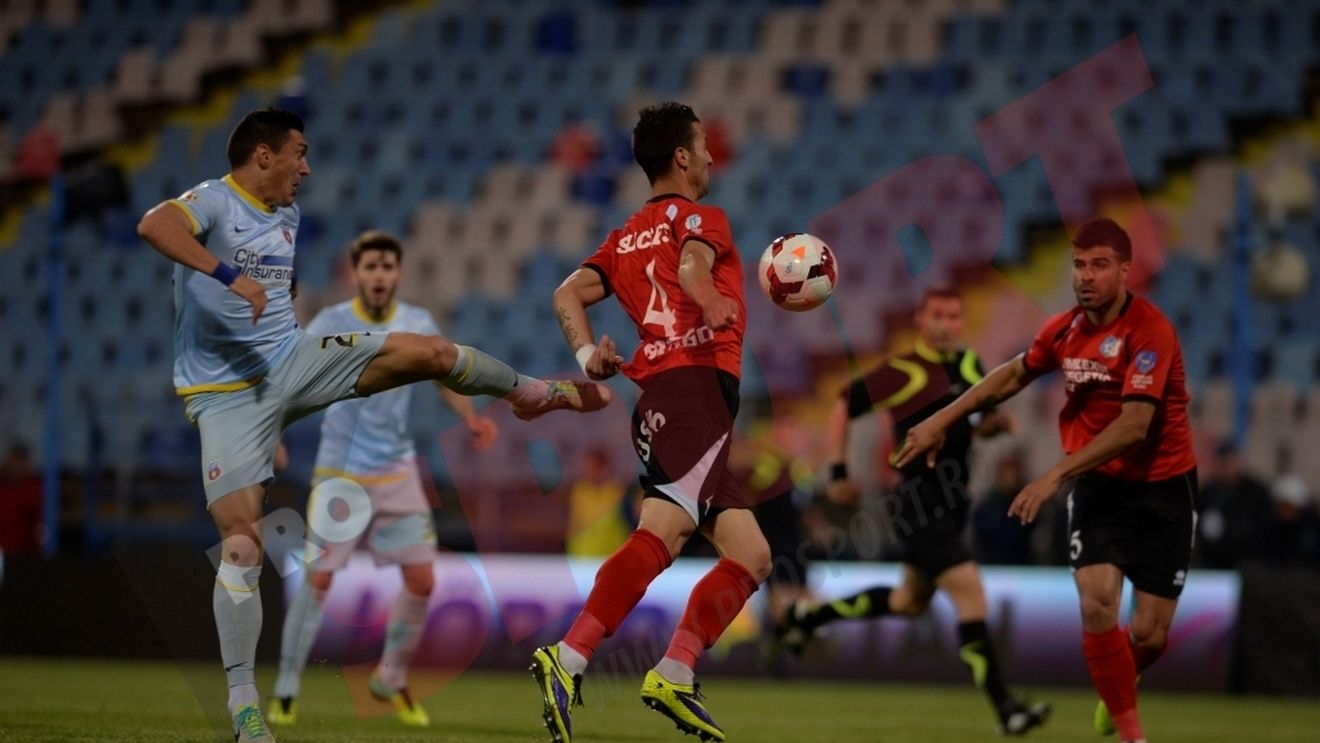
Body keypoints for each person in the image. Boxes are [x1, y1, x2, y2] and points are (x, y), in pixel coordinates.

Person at [136, 108, 608, 742]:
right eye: (298, 153)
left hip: (294, 361)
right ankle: (246, 703)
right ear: (263, 155)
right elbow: (153, 224)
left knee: (432, 353)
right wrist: (228, 276)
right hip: (226, 399)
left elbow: (273, 299)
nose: (307, 167)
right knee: (244, 545)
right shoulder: (215, 202)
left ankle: (530, 393)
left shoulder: (287, 216)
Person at [894, 218, 1198, 743]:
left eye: (1099, 265)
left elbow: (1135, 425)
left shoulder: (1150, 332)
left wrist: (1052, 474)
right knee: (1098, 600)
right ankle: (1131, 733)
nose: (1086, 276)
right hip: (1100, 486)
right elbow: (1011, 375)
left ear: (1125, 271)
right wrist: (938, 420)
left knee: (1150, 633)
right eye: (1079, 265)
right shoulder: (1063, 330)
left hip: (1165, 488)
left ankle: (1122, 685)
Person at [530, 102, 775, 743]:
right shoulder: (702, 217)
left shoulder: (624, 236)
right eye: (706, 145)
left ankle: (675, 670)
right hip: (694, 389)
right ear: (683, 157)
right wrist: (711, 297)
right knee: (663, 533)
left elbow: (564, 295)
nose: (715, 156)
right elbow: (694, 267)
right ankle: (572, 655)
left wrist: (590, 357)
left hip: (666, 399)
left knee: (751, 556)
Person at [778, 287, 1050, 736]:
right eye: (937, 315)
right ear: (921, 320)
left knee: (908, 601)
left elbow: (976, 428)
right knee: (970, 593)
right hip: (918, 502)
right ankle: (1006, 709)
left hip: (953, 500)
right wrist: (839, 468)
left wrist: (993, 427)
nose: (946, 323)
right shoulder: (905, 370)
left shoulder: (969, 365)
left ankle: (808, 616)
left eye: (954, 315)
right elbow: (847, 402)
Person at [265, 230, 499, 728]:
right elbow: (292, 379)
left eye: (387, 268)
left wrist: (470, 418)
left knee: (422, 578)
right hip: (341, 471)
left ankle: (389, 678)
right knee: (321, 577)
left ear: (397, 274)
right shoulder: (330, 322)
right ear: (356, 274)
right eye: (370, 267)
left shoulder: (417, 322)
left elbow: (447, 375)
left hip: (396, 468)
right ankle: (286, 687)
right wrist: (274, 431)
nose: (379, 276)